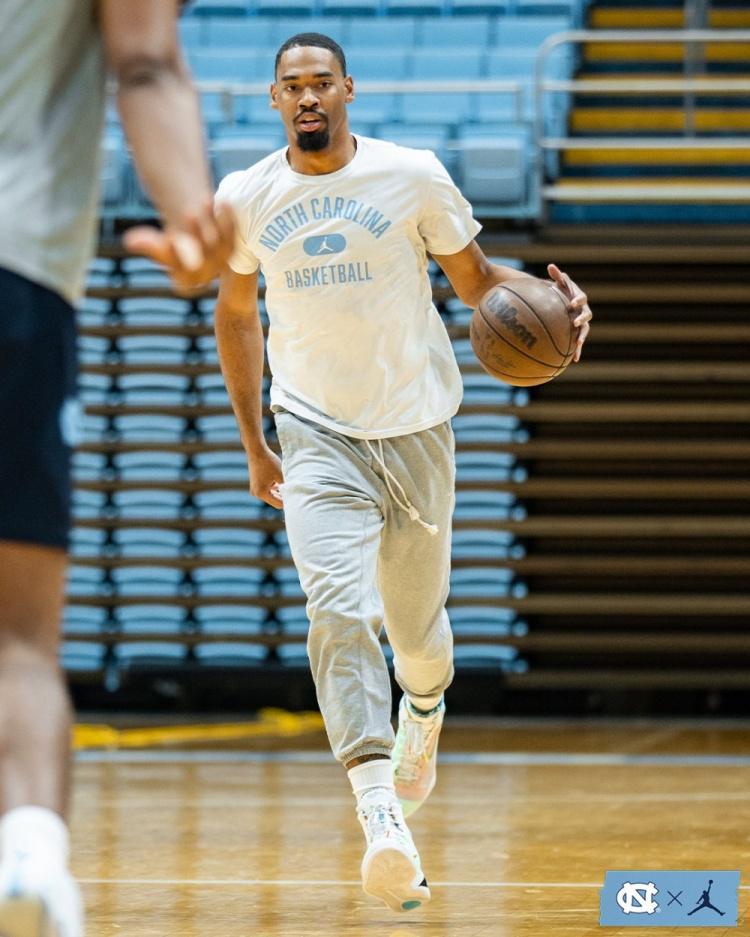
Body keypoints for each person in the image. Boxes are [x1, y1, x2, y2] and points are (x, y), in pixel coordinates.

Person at [214, 32, 592, 914]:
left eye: (321, 83)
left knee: (417, 637)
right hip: (314, 432)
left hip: (416, 427)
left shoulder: (412, 175)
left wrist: (554, 308)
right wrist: (254, 441)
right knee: (337, 608)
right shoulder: (245, 197)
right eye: (291, 86)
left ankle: (424, 710)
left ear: (348, 89)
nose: (308, 97)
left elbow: (478, 281)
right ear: (274, 100)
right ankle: (380, 812)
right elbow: (235, 313)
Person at [0, 2, 235, 935]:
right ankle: (27, 857)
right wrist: (191, 216)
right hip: (14, 264)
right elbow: (144, 61)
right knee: (16, 639)